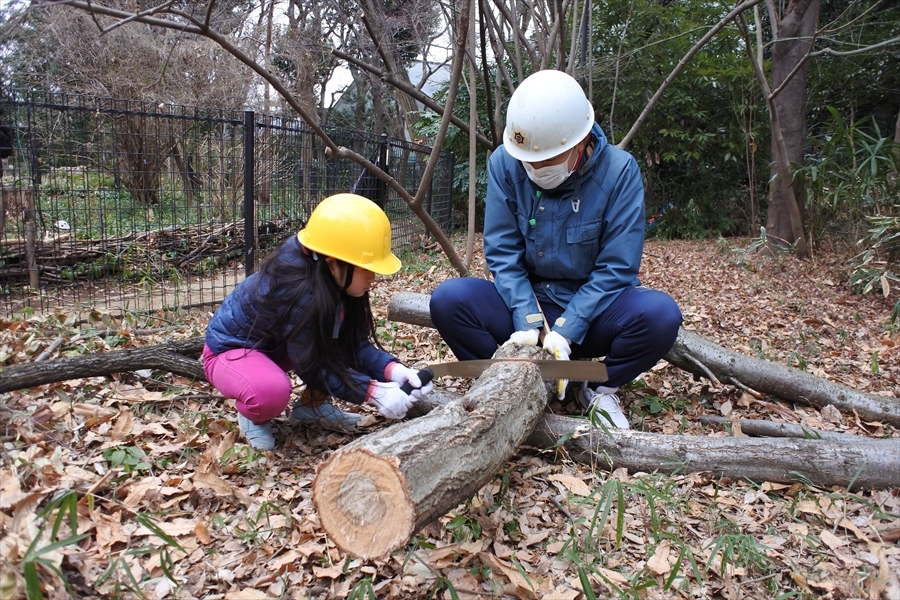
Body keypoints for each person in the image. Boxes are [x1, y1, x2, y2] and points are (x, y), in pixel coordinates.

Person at [429, 70, 682, 430]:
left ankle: (595, 385)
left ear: (578, 143)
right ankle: (509, 383)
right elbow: (502, 251)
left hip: (595, 311)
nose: (534, 169)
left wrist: (567, 329)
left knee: (660, 316)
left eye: (546, 161)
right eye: (529, 161)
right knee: (450, 299)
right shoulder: (505, 162)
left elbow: (617, 267)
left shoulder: (619, 172)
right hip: (527, 304)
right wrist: (529, 321)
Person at [204, 193, 432, 450]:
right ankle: (252, 414)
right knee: (271, 391)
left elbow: (352, 346)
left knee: (330, 340)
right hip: (232, 350)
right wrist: (375, 393)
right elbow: (311, 363)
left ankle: (312, 406)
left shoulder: (334, 280)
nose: (373, 277)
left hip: (279, 349)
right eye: (367, 268)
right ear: (334, 264)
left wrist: (393, 370)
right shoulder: (297, 290)